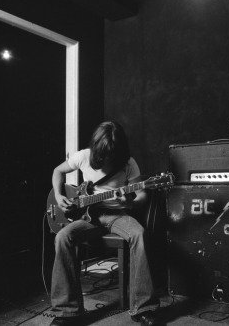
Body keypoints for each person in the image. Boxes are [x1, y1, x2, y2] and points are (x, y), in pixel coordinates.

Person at [49, 121, 159, 326]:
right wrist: (58, 195)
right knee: (62, 237)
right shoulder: (83, 156)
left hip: (118, 215)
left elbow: (142, 194)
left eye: (112, 155)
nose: (107, 159)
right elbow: (58, 171)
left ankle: (143, 307)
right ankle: (67, 311)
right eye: (103, 154)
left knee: (139, 234)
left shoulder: (128, 163)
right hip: (89, 217)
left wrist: (131, 202)